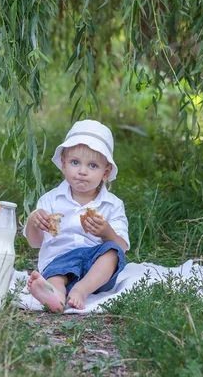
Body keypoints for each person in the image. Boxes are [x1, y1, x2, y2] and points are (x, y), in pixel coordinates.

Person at [24, 120, 129, 312]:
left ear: (105, 172)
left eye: (92, 165)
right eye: (75, 162)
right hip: (59, 262)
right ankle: (55, 294)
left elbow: (121, 247)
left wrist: (107, 232)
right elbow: (34, 242)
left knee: (111, 252)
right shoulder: (50, 201)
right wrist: (33, 222)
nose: (82, 171)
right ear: (63, 164)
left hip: (95, 272)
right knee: (57, 273)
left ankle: (81, 289)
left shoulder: (112, 205)